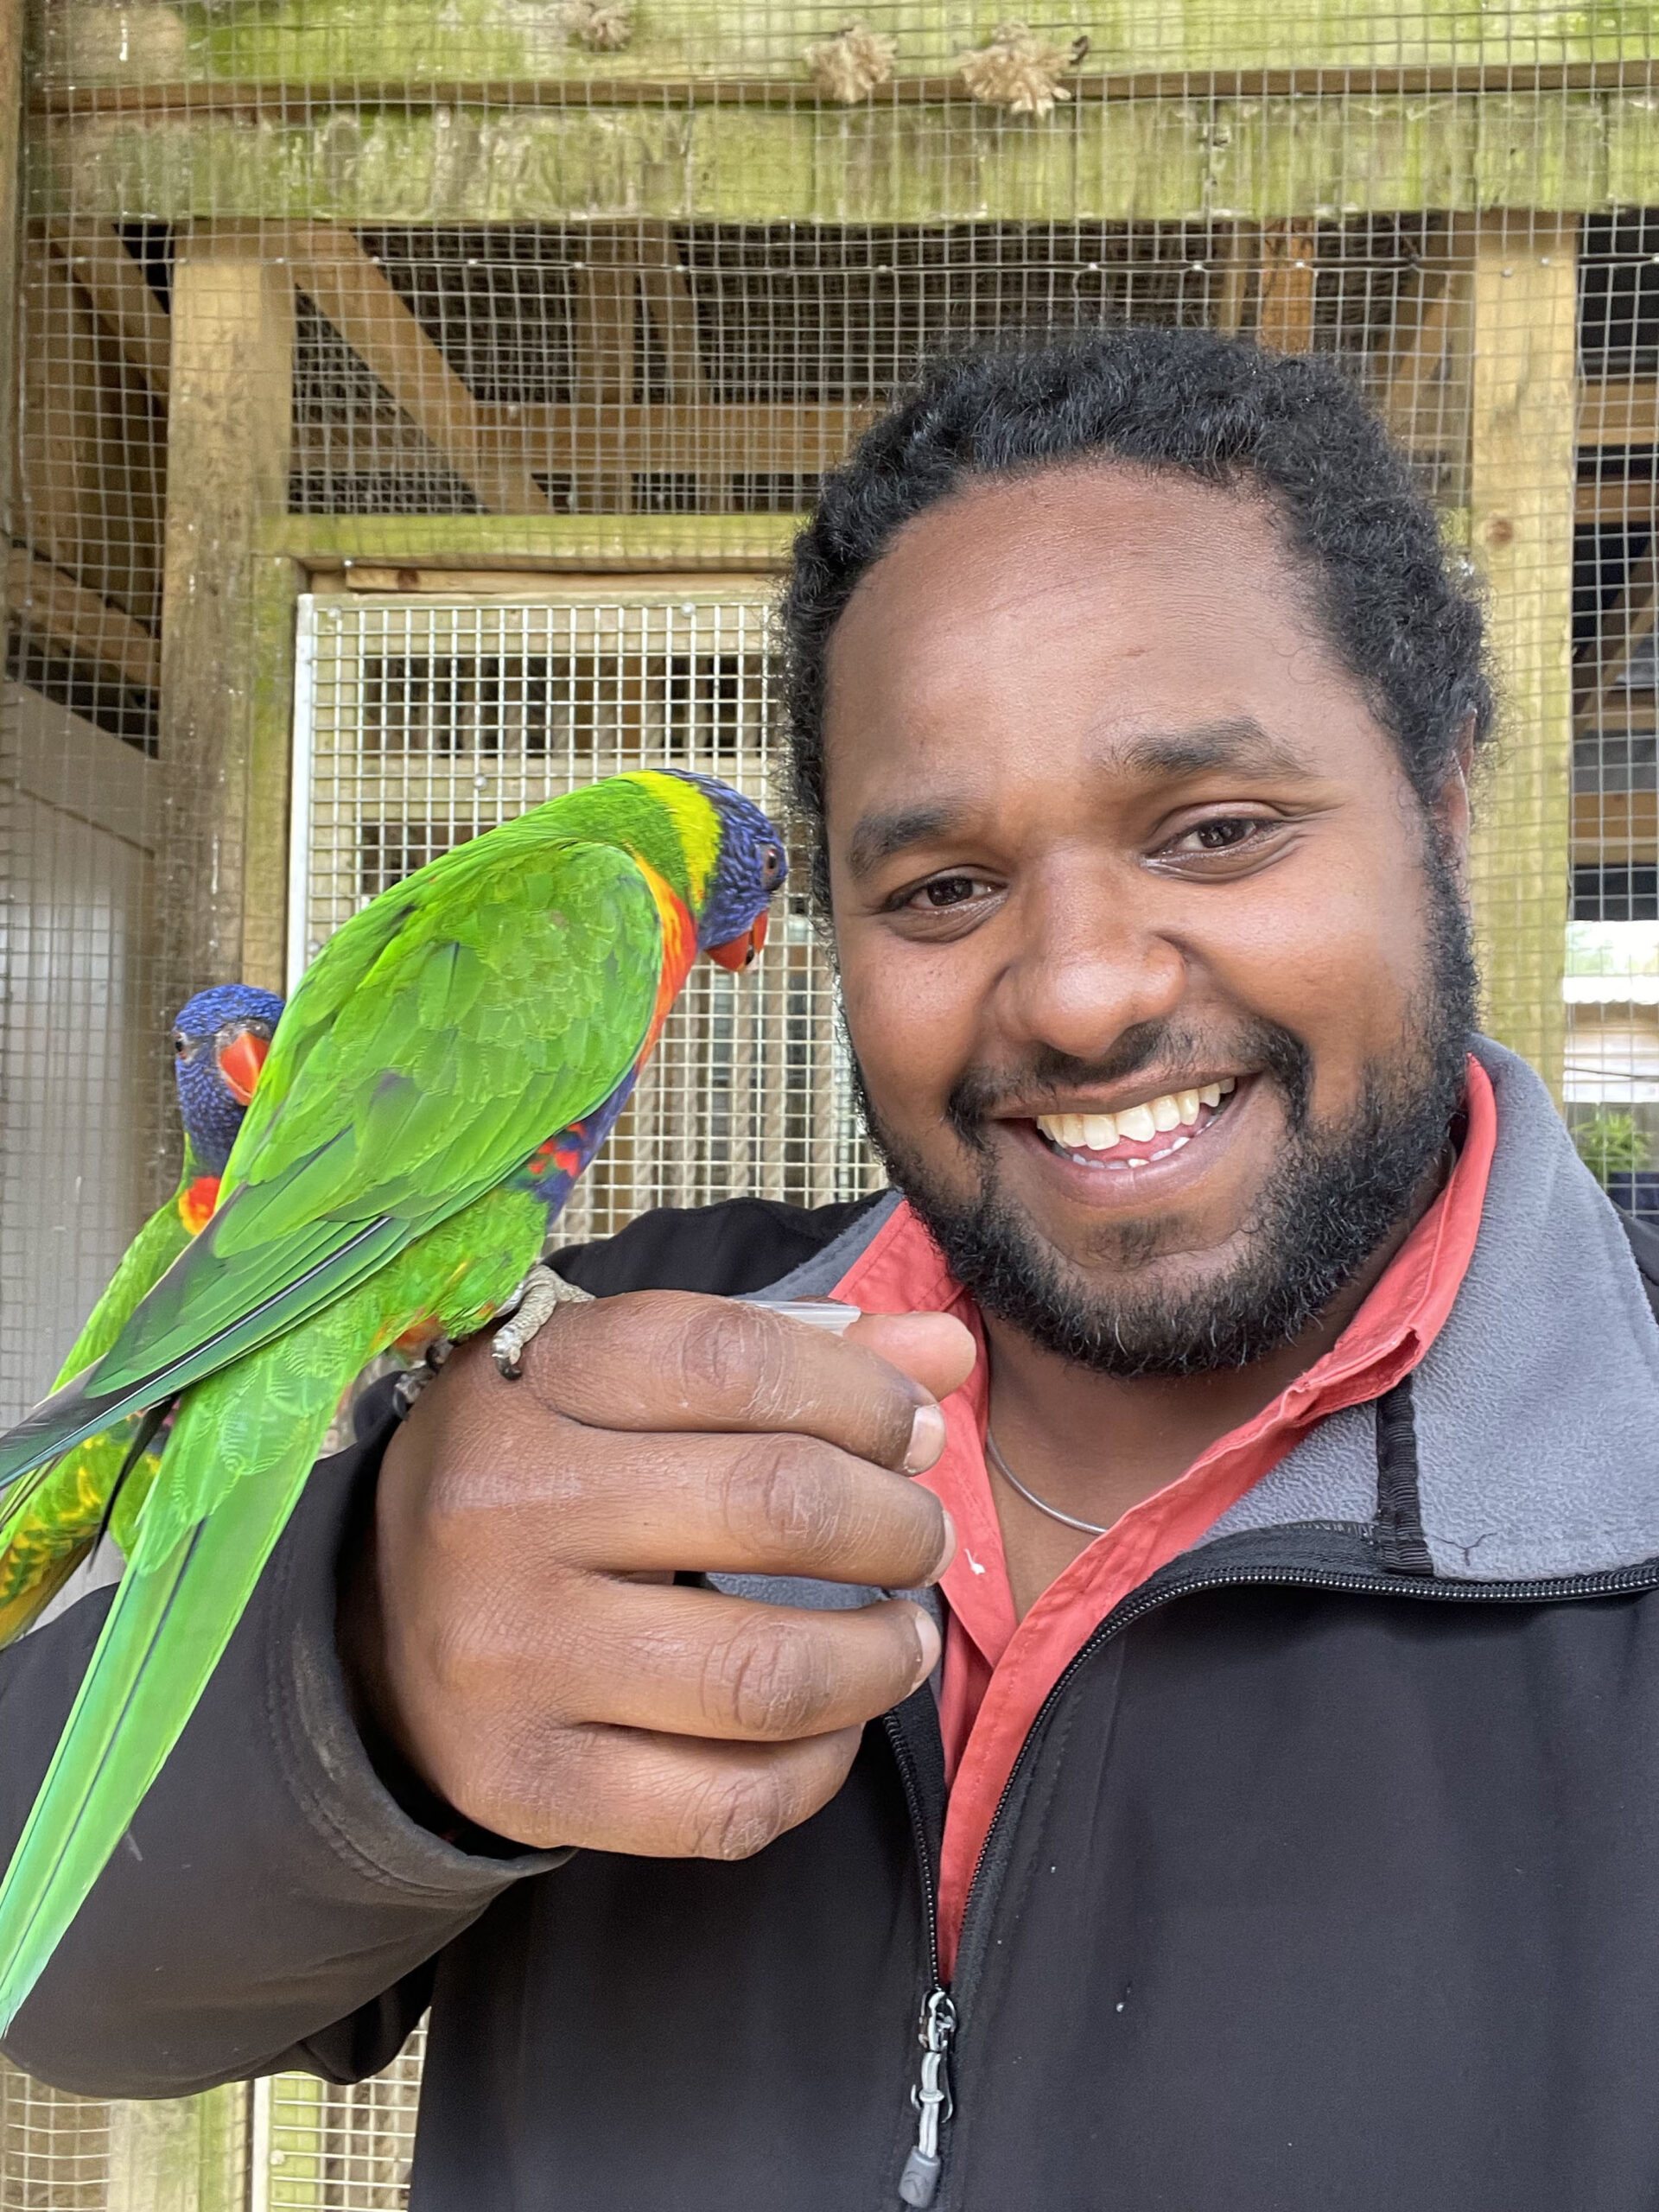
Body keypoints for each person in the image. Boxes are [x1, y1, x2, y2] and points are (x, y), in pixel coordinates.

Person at [7, 327, 1659, 2212]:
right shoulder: (596, 1361)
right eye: (942, 887)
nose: (1084, 986)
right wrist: (365, 1673)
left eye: (1216, 829)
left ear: (1444, 807)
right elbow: (51, 1962)